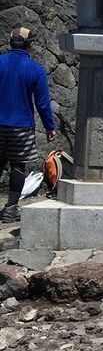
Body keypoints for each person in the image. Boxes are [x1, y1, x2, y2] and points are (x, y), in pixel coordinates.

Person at [0, 27, 56, 223]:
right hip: (21, 127)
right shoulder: (35, 70)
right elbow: (42, 103)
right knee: (17, 167)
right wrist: (50, 127)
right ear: (29, 45)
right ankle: (10, 210)